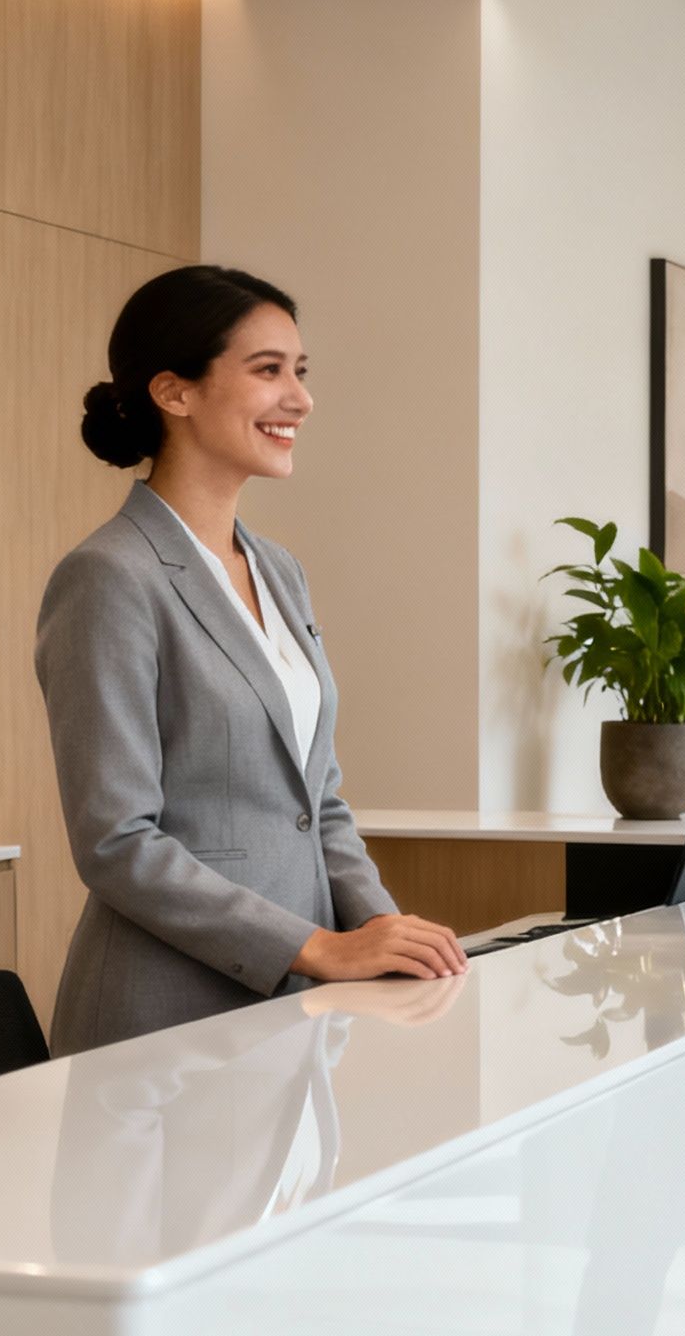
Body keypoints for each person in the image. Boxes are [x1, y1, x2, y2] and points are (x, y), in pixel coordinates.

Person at [34, 265, 466, 1056]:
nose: (299, 399)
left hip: (298, 1015)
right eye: (268, 371)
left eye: (299, 372)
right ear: (175, 392)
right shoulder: (108, 577)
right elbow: (117, 842)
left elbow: (318, 800)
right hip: (166, 1019)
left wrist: (381, 928)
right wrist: (317, 947)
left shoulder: (279, 569)